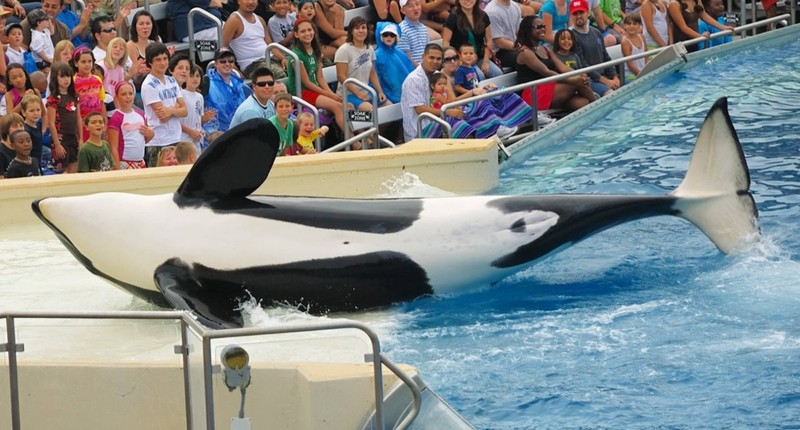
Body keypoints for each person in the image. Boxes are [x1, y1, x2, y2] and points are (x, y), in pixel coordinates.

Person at [516, 15, 594, 113]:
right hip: (533, 93)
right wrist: (572, 80)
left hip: (551, 88)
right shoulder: (525, 52)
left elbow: (562, 67)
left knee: (583, 102)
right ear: (528, 30)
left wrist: (579, 75)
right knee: (574, 83)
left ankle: (596, 107)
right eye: (539, 27)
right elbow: (547, 72)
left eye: (544, 26)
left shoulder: (545, 48)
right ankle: (601, 106)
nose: (543, 29)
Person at [287, 19, 346, 135]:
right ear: (296, 34)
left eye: (310, 30)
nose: (307, 33)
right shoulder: (296, 55)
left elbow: (320, 78)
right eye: (303, 31)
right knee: (338, 107)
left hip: (315, 90)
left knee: (347, 105)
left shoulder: (316, 50)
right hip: (302, 92)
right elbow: (307, 82)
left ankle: (364, 136)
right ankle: (355, 143)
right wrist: (329, 95)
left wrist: (332, 94)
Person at [401, 43, 468, 142]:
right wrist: (447, 112)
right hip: (419, 132)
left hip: (437, 123)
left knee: (469, 113)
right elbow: (420, 109)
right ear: (423, 57)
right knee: (461, 126)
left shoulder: (438, 75)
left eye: (438, 59)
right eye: (431, 58)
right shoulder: (413, 79)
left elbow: (449, 102)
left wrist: (450, 94)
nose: (435, 61)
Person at [141, 42, 187, 166]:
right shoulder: (148, 85)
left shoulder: (172, 80)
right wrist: (176, 108)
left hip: (176, 138)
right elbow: (163, 116)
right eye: (158, 60)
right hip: (158, 141)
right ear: (150, 62)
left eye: (165, 58)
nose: (162, 63)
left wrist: (171, 110)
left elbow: (184, 111)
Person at [335, 16, 388, 114]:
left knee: (389, 108)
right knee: (372, 113)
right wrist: (358, 93)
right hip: (348, 94)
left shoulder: (369, 48)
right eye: (357, 28)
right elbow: (341, 76)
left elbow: (372, 73)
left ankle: (375, 130)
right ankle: (362, 129)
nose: (361, 31)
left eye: (363, 28)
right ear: (351, 31)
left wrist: (380, 91)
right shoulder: (344, 50)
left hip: (366, 91)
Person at [442, 0, 503, 78]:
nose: (468, 1)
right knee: (479, 76)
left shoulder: (483, 15)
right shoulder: (453, 17)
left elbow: (489, 40)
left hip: (479, 56)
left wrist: (485, 61)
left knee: (498, 73)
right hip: (461, 59)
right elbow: (446, 42)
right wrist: (455, 60)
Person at [570, 0, 619, 96]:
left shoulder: (596, 32)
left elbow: (606, 57)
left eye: (581, 12)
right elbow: (582, 65)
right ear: (571, 16)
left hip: (602, 76)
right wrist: (605, 81)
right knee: (610, 94)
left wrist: (614, 76)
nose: (578, 16)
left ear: (588, 13)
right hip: (588, 80)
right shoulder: (571, 36)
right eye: (575, 13)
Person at [107, 81, 153, 169]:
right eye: (124, 94)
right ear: (117, 97)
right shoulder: (116, 118)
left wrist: (151, 134)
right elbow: (113, 147)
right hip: (123, 162)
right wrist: (117, 168)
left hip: (140, 161)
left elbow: (144, 140)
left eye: (130, 93)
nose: (128, 97)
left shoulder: (141, 115)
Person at [223, 0, 273, 79]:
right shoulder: (234, 20)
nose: (250, 2)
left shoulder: (260, 19)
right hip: (252, 65)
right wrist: (236, 71)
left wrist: (284, 59)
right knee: (279, 74)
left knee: (293, 65)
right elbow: (222, 48)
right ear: (239, 1)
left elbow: (271, 46)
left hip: (270, 59)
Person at [204, 49, 250, 134]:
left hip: (239, 132)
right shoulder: (206, 82)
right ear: (215, 64)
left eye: (231, 61)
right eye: (223, 61)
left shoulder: (239, 83)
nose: (227, 64)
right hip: (216, 136)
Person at [46, 61, 80, 173]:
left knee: (74, 166)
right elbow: (51, 123)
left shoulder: (74, 97)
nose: (66, 79)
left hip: (73, 137)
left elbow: (78, 118)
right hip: (61, 138)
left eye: (68, 76)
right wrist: (57, 144)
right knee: (62, 170)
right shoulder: (53, 99)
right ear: (55, 78)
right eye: (62, 76)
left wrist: (81, 138)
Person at [667, 0, 731, 53]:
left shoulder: (696, 1)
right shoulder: (674, 4)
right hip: (682, 44)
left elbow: (704, 15)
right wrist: (700, 36)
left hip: (695, 41)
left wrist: (723, 27)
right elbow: (683, 27)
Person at [374, 22, 414, 104]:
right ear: (381, 36)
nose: (389, 37)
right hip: (386, 95)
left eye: (392, 35)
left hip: (405, 95)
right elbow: (374, 76)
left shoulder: (400, 53)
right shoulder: (377, 55)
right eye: (385, 34)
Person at [71, 46, 105, 139]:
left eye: (90, 61)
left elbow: (101, 103)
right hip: (82, 124)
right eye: (83, 62)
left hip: (97, 123)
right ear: (76, 63)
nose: (87, 64)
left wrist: (104, 123)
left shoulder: (97, 80)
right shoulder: (73, 81)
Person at [179, 62, 211, 153]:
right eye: (191, 76)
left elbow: (198, 120)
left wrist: (200, 130)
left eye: (197, 76)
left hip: (196, 140)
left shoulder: (200, 97)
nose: (195, 79)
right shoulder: (181, 94)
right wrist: (191, 132)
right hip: (184, 139)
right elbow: (177, 121)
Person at [397, 0, 436, 68]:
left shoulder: (423, 27)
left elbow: (428, 51)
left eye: (417, 4)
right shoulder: (401, 30)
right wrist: (423, 70)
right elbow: (406, 59)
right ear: (403, 10)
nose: (415, 8)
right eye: (410, 6)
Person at [485, 0, 522, 69]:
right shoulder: (492, 11)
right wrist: (522, 48)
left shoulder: (515, 6)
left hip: (513, 46)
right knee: (525, 57)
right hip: (497, 53)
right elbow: (500, 43)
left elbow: (519, 32)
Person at [621, 12, 646, 79]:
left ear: (639, 25)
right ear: (625, 26)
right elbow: (630, 64)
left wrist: (647, 70)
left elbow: (646, 57)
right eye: (629, 24)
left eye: (635, 24)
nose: (631, 26)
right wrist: (641, 75)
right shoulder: (625, 42)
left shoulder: (642, 37)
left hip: (643, 71)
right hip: (631, 74)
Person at [0, 113, 26, 178]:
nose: (19, 129)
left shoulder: (23, 148)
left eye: (21, 125)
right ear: (6, 129)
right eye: (15, 126)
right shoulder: (1, 151)